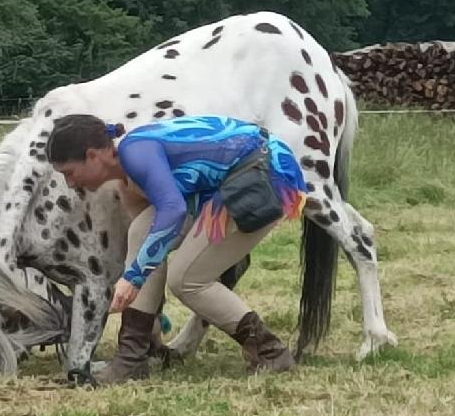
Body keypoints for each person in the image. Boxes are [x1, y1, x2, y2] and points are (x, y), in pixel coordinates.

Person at [45, 114, 307, 384]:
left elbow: (173, 210)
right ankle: (131, 359)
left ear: (92, 156)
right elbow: (153, 244)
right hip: (235, 176)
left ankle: (271, 354)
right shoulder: (126, 175)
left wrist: (132, 278)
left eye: (69, 173)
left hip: (263, 172)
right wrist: (149, 306)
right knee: (142, 232)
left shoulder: (134, 154)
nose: (70, 183)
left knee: (187, 279)